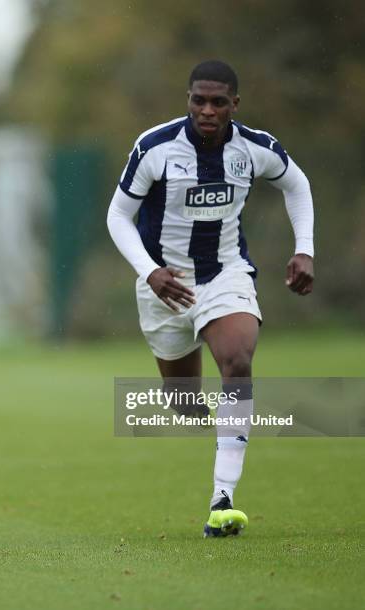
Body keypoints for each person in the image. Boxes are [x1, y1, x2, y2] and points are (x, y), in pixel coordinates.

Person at [107, 60, 314, 537]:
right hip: (164, 286)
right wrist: (151, 271)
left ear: (234, 106)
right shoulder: (155, 146)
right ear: (188, 100)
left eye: (217, 102)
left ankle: (223, 498)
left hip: (225, 275)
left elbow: (296, 185)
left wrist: (304, 249)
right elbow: (118, 216)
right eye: (198, 99)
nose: (206, 109)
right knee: (185, 405)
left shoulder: (255, 148)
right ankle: (197, 400)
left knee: (237, 361)